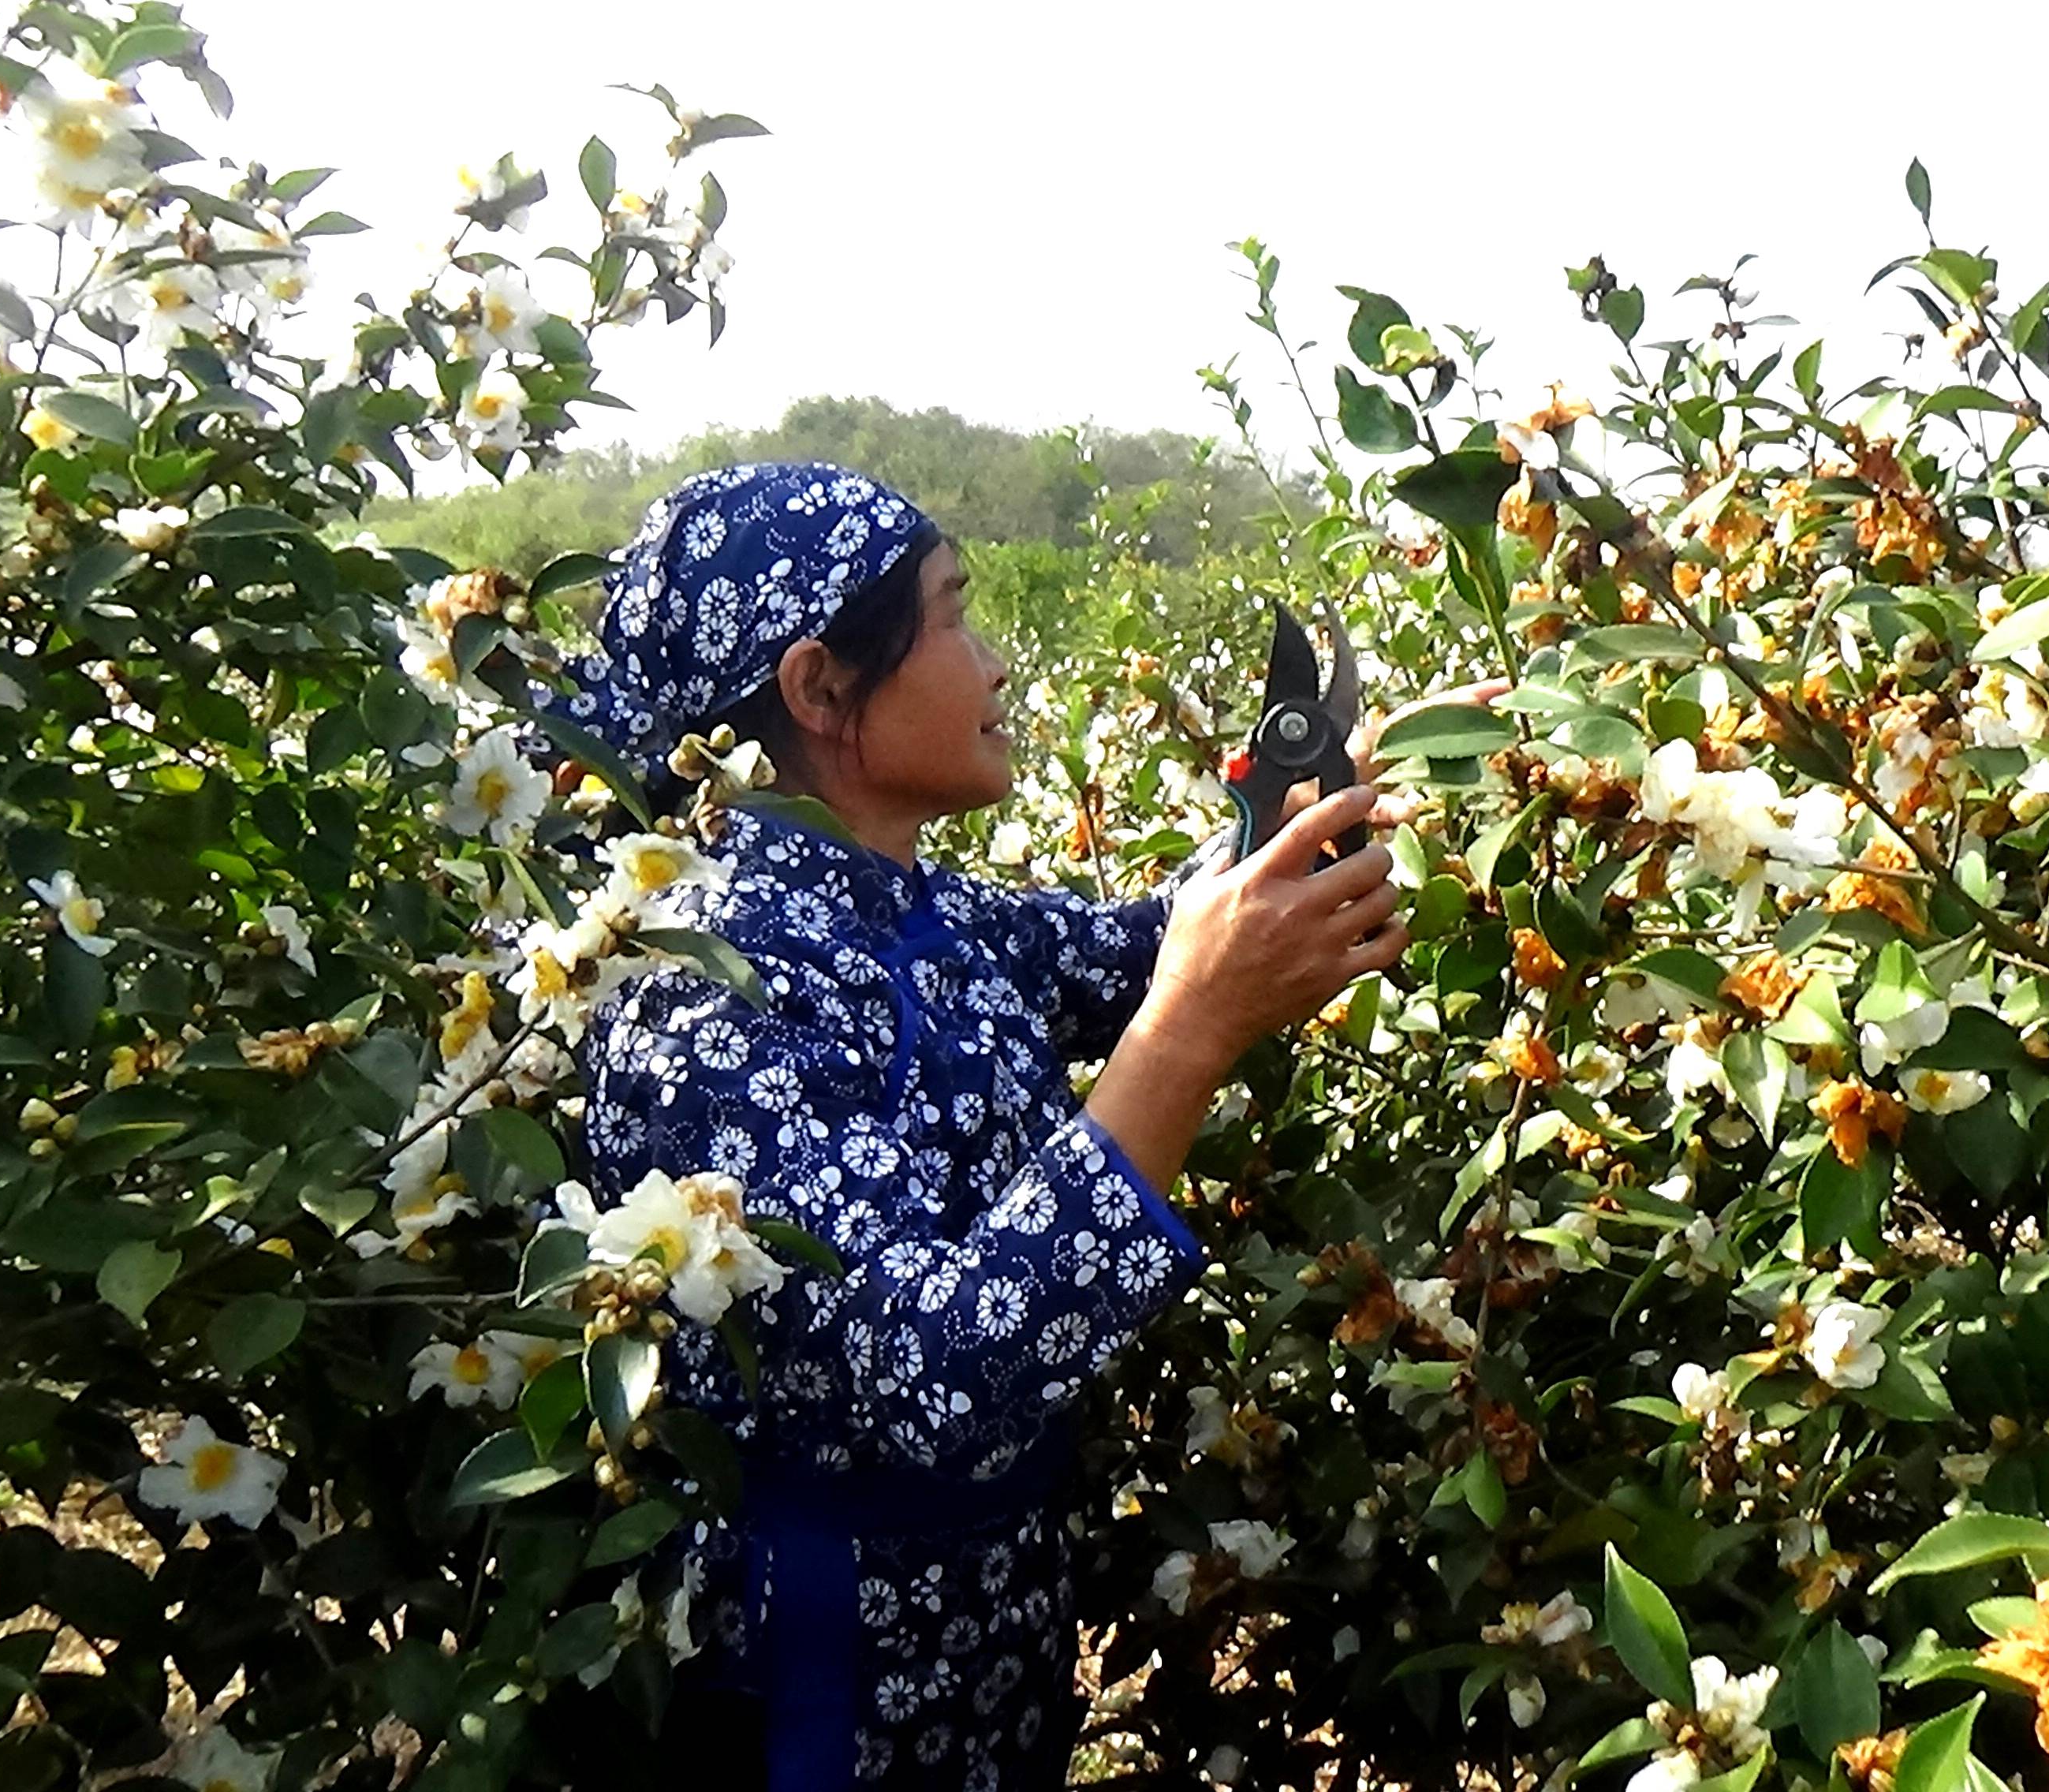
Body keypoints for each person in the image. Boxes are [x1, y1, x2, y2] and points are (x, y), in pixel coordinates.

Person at [552, 461, 1490, 1789]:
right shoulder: (705, 989)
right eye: (952, 618)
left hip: (989, 1678)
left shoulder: (912, 910)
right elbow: (941, 1370)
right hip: (822, 1713)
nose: (995, 665)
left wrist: (1315, 790)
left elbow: (1149, 945)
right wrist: (1190, 1034)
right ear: (822, 688)